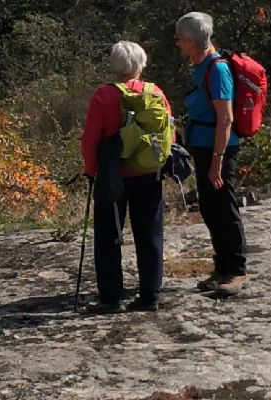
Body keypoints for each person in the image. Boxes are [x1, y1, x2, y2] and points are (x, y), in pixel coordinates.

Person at [81, 41, 171, 313]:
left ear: (114, 65)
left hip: (114, 175)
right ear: (140, 65)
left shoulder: (103, 96)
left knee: (109, 236)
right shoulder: (156, 93)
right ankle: (150, 296)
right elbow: (170, 132)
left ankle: (111, 298)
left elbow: (90, 138)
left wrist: (90, 170)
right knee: (150, 234)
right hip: (148, 173)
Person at [175, 12, 250, 296]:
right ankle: (222, 269)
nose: (177, 43)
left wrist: (217, 162)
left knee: (224, 208)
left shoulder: (217, 70)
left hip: (220, 150)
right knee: (209, 207)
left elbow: (226, 119)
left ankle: (236, 272)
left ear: (192, 40)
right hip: (205, 149)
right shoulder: (201, 65)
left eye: (180, 38)